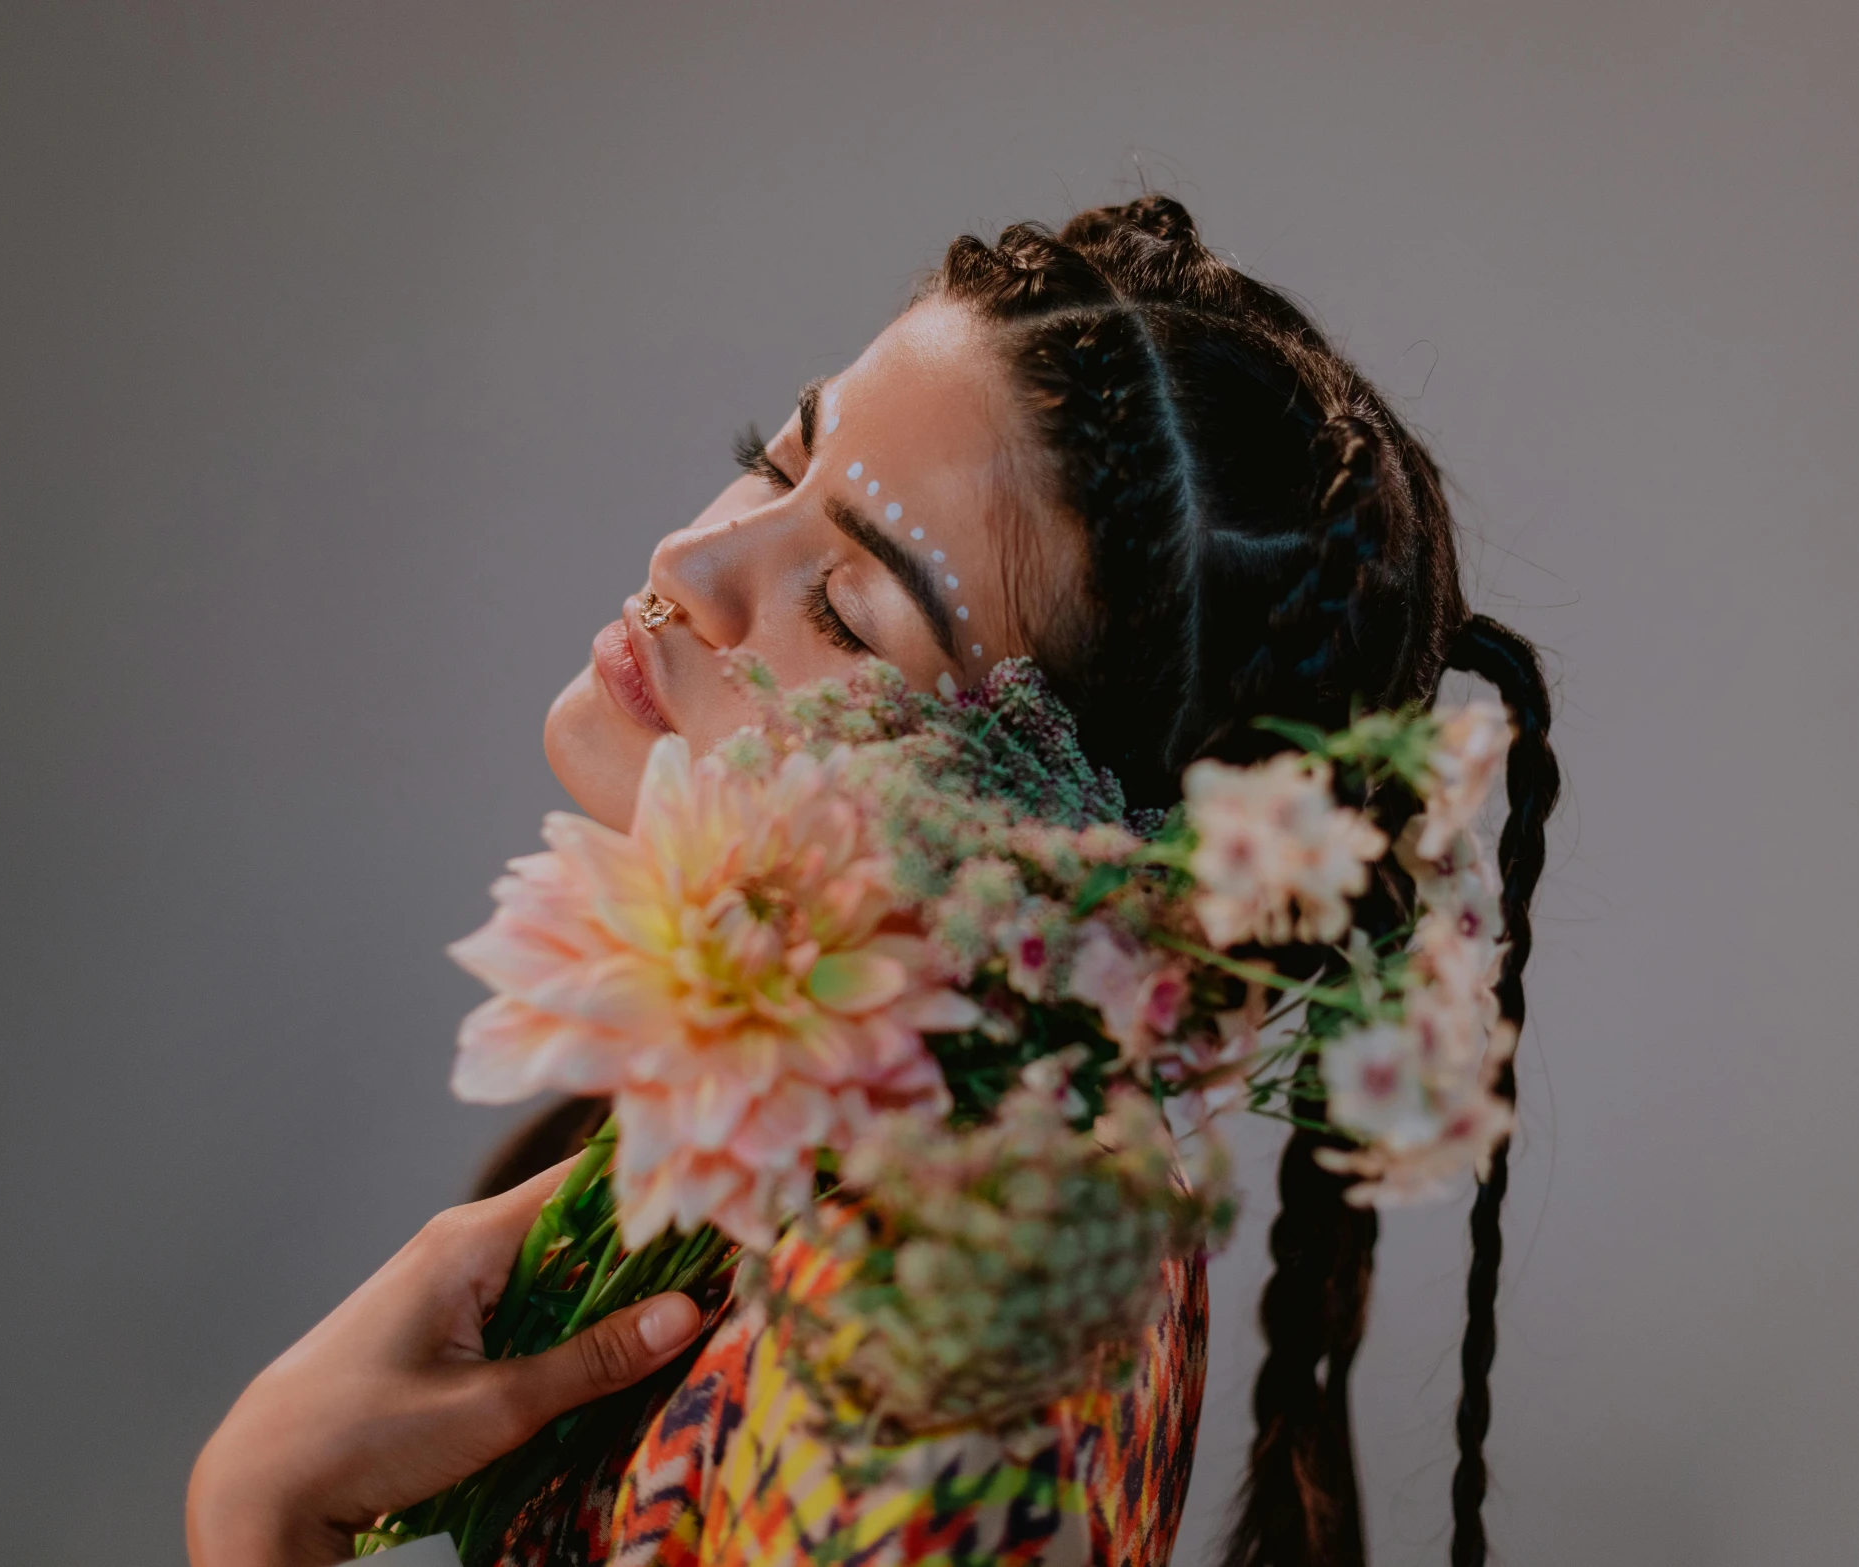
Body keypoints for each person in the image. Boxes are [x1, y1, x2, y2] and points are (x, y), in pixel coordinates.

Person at [190, 194, 1561, 1567]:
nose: (690, 564)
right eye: (771, 461)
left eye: (848, 609)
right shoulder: (914, 1177)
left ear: (1074, 852)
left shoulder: (929, 1331)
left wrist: (260, 1513)